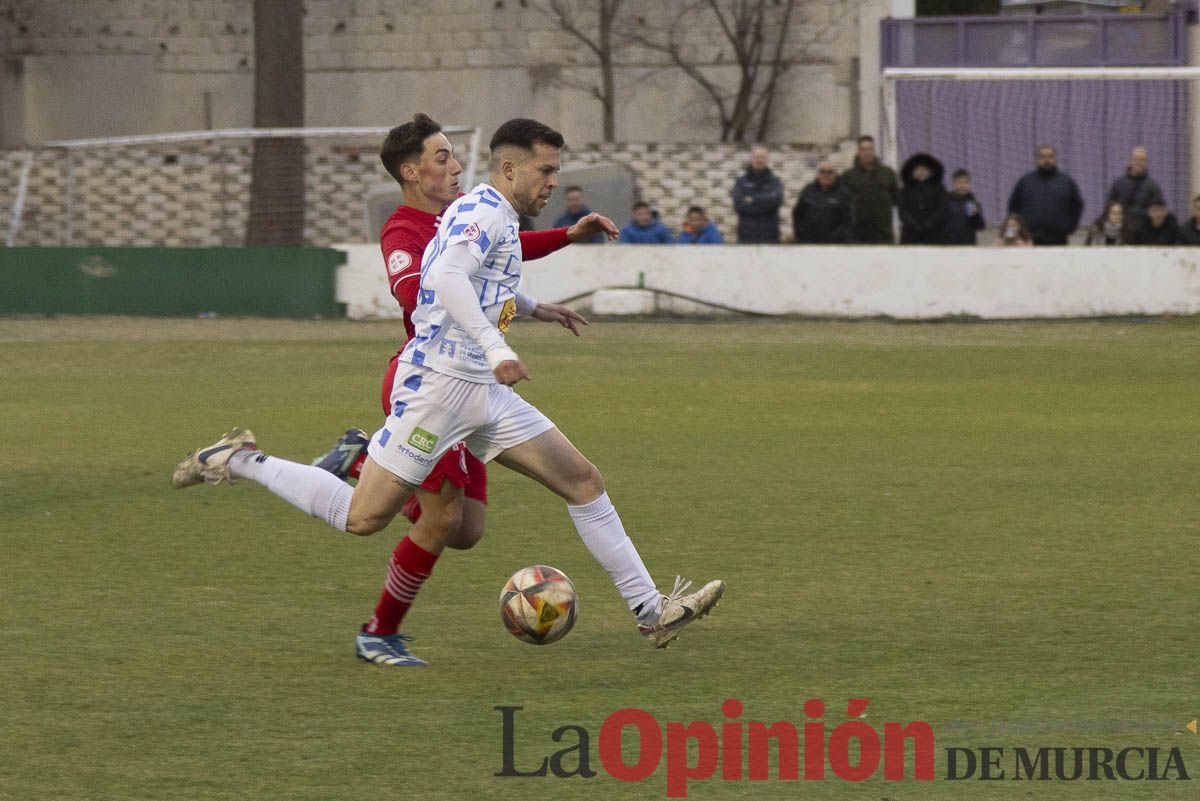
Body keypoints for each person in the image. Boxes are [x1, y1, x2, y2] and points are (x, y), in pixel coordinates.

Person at [171, 118, 726, 665]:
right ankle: (241, 461)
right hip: (436, 390)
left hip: (483, 390)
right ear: (511, 169)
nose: (554, 183)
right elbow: (443, 281)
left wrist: (531, 308)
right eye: (547, 171)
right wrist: (496, 347)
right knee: (364, 519)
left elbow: (476, 275)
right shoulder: (483, 210)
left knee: (581, 481)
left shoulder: (492, 214)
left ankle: (650, 609)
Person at [306, 114, 619, 665]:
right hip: (429, 384)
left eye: (453, 155)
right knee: (436, 519)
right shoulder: (404, 229)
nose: (454, 166)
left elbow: (504, 255)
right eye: (442, 157)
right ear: (411, 172)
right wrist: (469, 312)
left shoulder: (465, 215)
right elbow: (417, 290)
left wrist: (555, 260)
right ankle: (377, 632)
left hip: (473, 384)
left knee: (467, 530)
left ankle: (366, 461)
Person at [1006, 144, 1084, 246]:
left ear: (1055, 159)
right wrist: (1015, 231)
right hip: (1029, 239)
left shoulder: (1066, 182)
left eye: (1050, 156)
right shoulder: (1025, 181)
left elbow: (1077, 206)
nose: (1047, 160)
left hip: (1058, 239)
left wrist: (1070, 227)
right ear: (1036, 160)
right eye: (1042, 157)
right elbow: (1013, 207)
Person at [841, 134, 898, 244]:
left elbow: (895, 199)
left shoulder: (888, 173)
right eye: (863, 149)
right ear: (858, 152)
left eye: (870, 149)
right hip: (857, 236)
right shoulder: (848, 176)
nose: (867, 152)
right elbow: (844, 203)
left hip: (883, 235)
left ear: (874, 150)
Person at [1105, 146, 1165, 234]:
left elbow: (1159, 211)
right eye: (1136, 159)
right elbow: (1108, 208)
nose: (1139, 162)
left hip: (1145, 234)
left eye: (1142, 160)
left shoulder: (1153, 187)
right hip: (1120, 233)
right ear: (1130, 161)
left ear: (1146, 163)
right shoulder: (1118, 184)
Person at [792, 160, 854, 244]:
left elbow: (848, 220)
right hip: (809, 243)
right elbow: (797, 214)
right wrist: (801, 234)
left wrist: (836, 237)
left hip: (834, 245)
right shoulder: (808, 190)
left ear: (835, 174)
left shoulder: (843, 193)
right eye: (822, 172)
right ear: (817, 174)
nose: (826, 175)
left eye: (830, 172)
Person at [731, 145, 783, 243]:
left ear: (767, 160)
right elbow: (738, 205)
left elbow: (776, 201)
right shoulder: (741, 182)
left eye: (762, 157)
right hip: (746, 236)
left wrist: (752, 199)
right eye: (756, 157)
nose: (759, 160)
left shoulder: (775, 182)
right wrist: (765, 203)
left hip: (769, 236)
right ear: (751, 159)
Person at [897, 152, 949, 245]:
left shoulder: (939, 189)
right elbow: (902, 210)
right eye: (918, 169)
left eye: (924, 169)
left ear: (930, 171)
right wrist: (914, 225)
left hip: (935, 236)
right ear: (912, 172)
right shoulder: (905, 189)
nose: (921, 172)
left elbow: (942, 209)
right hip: (910, 236)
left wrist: (929, 224)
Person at [945, 169, 985, 245]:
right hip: (949, 246)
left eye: (965, 182)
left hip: (968, 245)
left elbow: (980, 226)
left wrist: (975, 215)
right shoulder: (946, 202)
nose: (962, 185)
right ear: (954, 183)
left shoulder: (972, 202)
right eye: (959, 182)